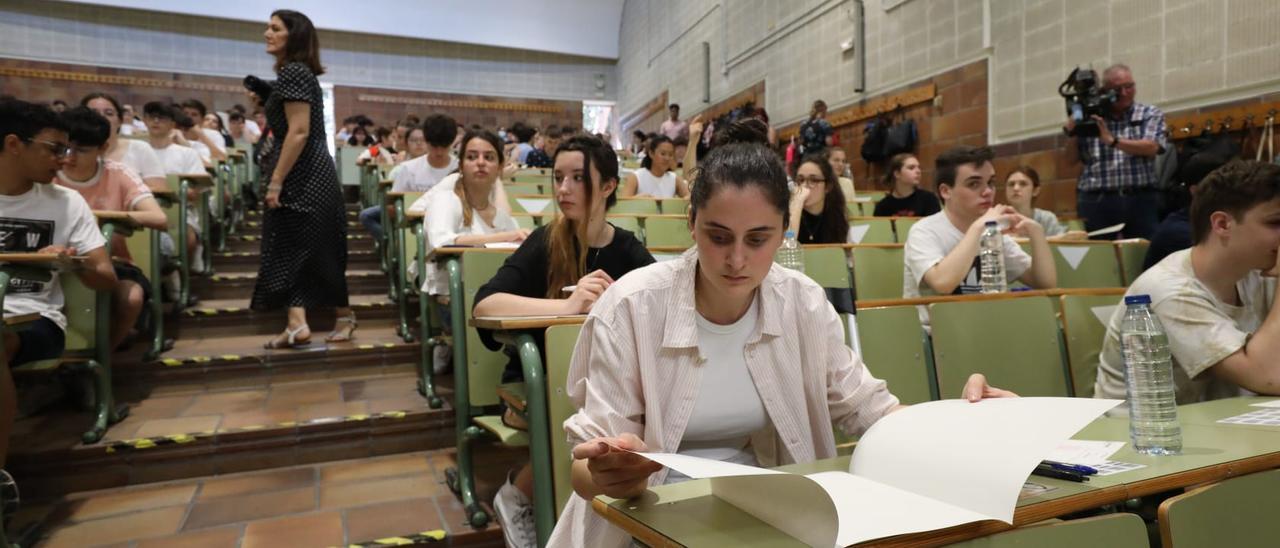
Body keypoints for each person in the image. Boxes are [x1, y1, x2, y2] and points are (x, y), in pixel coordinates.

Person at [547, 140, 1015, 548]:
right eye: (718, 236)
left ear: (782, 234)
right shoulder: (631, 307)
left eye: (758, 239)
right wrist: (611, 471)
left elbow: (872, 412)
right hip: (649, 520)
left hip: (771, 518)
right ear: (691, 223)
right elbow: (584, 474)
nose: (736, 259)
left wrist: (965, 425)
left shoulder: (803, 304)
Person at [472, 135, 655, 548]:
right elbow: (485, 305)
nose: (563, 189)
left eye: (577, 178)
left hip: (608, 384)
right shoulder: (546, 242)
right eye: (558, 178)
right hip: (538, 380)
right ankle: (518, 494)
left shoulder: (629, 250)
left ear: (608, 186)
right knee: (579, 413)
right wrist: (568, 304)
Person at [1094, 160, 1280, 405]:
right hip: (1140, 437)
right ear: (1222, 224)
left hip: (1220, 425)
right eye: (1275, 223)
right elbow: (1267, 377)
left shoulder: (1257, 273)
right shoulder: (1169, 291)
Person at [0, 99, 117, 480]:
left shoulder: (66, 202)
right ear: (15, 144)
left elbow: (106, 276)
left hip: (33, 319)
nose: (63, 160)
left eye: (68, 150)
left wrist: (70, 261)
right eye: (54, 149)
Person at [252, 9, 354, 348]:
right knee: (291, 246)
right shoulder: (293, 74)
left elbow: (298, 132)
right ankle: (297, 324)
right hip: (306, 172)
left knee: (314, 248)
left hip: (306, 175)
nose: (266, 33)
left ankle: (344, 317)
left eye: (274, 28)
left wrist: (276, 179)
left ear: (293, 36)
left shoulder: (295, 72)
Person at [902, 146, 1056, 327]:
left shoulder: (992, 231)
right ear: (946, 191)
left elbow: (1045, 283)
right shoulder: (924, 231)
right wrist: (978, 228)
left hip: (985, 329)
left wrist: (1036, 233)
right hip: (934, 337)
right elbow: (942, 283)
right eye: (974, 184)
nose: (988, 192)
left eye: (990, 182)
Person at [55, 107, 169, 349]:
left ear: (103, 149)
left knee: (131, 298)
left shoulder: (117, 174)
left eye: (81, 150)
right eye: (64, 147)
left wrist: (100, 217)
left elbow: (159, 218)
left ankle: (103, 354)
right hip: (54, 259)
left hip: (111, 260)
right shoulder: (48, 172)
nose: (69, 157)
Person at [1067, 63, 1167, 240]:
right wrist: (1072, 131)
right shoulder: (1091, 116)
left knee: (1145, 254)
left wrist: (1113, 141)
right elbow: (1069, 160)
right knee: (1099, 256)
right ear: (1104, 91)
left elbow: (1152, 146)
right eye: (1116, 89)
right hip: (1096, 199)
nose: (1124, 93)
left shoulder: (1148, 113)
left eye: (1129, 86)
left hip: (1140, 198)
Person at [80, 93, 168, 192]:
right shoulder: (72, 152)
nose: (102, 118)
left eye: (109, 113)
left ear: (120, 121)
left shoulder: (140, 149)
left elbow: (160, 189)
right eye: (93, 113)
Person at [1003, 166, 1085, 239]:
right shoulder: (998, 217)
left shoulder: (1047, 218)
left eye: (1023, 184)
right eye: (1011, 184)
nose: (1016, 188)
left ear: (1035, 190)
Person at [788, 152, 850, 244]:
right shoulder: (790, 212)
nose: (804, 186)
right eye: (800, 180)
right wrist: (797, 203)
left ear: (827, 187)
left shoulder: (836, 216)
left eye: (813, 180)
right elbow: (787, 245)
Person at [619, 135, 690, 199]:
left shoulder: (674, 178)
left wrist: (686, 198)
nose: (667, 158)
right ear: (651, 153)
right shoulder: (636, 177)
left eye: (670, 155)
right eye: (663, 154)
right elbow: (623, 203)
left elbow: (690, 197)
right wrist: (637, 199)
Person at [874, 153, 940, 217]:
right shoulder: (882, 206)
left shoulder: (929, 199)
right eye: (911, 168)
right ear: (897, 174)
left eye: (918, 167)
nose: (918, 171)